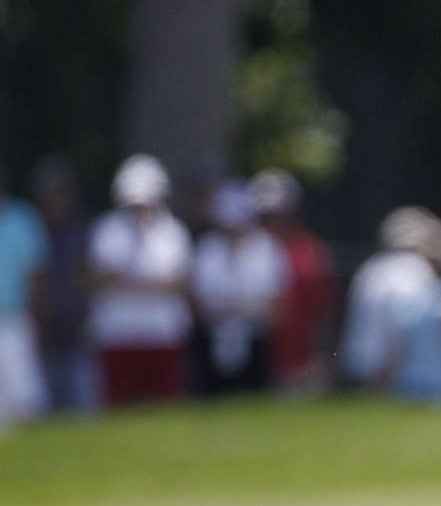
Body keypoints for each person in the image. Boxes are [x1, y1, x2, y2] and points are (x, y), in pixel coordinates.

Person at [88, 155, 194, 407]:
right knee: (120, 402)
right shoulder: (107, 229)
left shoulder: (173, 232)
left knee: (162, 401)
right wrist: (150, 283)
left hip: (162, 329)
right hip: (117, 329)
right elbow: (103, 276)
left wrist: (130, 282)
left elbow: (177, 281)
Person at [340, 206, 441, 400]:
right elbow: (402, 324)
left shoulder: (371, 267)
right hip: (392, 377)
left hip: (359, 368)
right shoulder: (414, 269)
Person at [189, 180, 289, 396]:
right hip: (213, 333)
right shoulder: (207, 249)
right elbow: (195, 296)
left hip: (255, 335)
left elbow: (277, 298)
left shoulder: (267, 247)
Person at [250, 169, 335, 394]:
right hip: (253, 357)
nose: (272, 223)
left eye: (279, 215)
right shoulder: (244, 253)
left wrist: (320, 355)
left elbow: (321, 310)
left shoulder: (309, 251)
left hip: (299, 357)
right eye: (265, 216)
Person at [29, 157, 95, 414]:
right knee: (45, 403)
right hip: (45, 327)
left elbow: (89, 278)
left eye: (60, 193)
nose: (55, 199)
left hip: (77, 326)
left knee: (81, 401)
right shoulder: (34, 229)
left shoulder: (82, 231)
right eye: (50, 194)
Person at [0, 159, 52, 422]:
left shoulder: (23, 220)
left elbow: (37, 275)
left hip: (16, 318)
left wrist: (38, 317)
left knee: (25, 396)